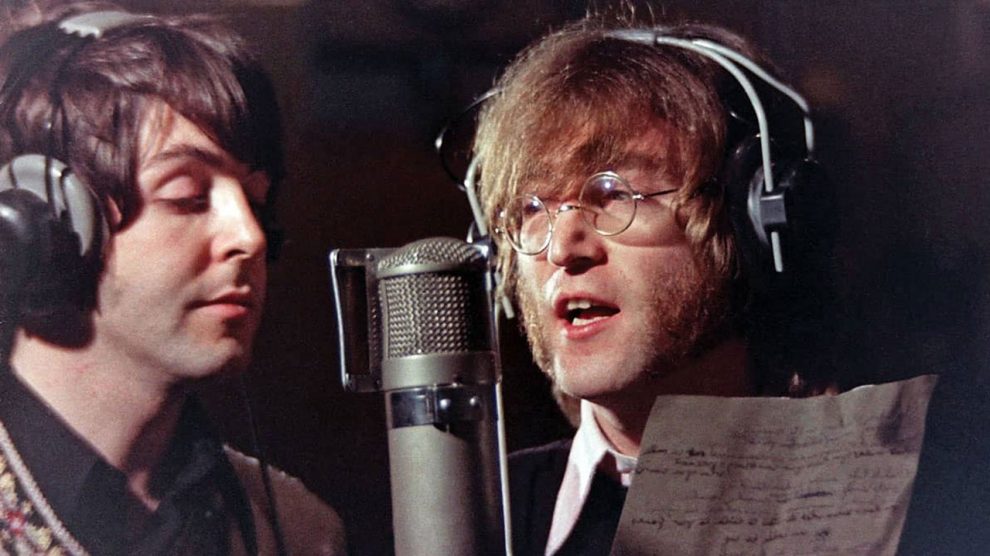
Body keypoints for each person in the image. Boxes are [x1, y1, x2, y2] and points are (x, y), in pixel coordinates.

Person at [472, 15, 837, 556]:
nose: (562, 248)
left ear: (754, 221)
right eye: (530, 208)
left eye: (615, 194)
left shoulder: (914, 496)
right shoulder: (474, 520)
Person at [0, 3, 345, 554]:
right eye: (188, 197)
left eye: (257, 202)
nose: (250, 237)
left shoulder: (298, 531)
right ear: (49, 223)